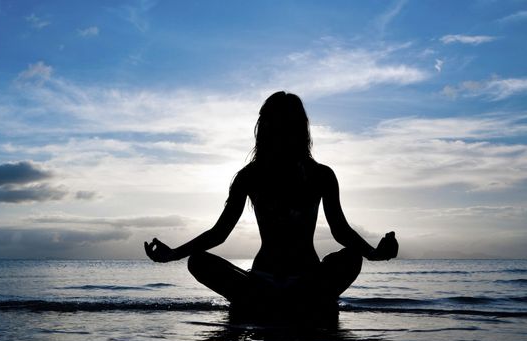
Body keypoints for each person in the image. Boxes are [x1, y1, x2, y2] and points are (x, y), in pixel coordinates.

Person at [144, 91, 398, 310]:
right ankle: (288, 300)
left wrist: (375, 254)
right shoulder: (250, 176)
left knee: (352, 257)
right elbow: (220, 233)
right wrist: (174, 254)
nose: (282, 134)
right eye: (277, 126)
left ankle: (278, 300)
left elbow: (341, 231)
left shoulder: (321, 175)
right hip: (267, 280)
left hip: (303, 279)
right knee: (198, 260)